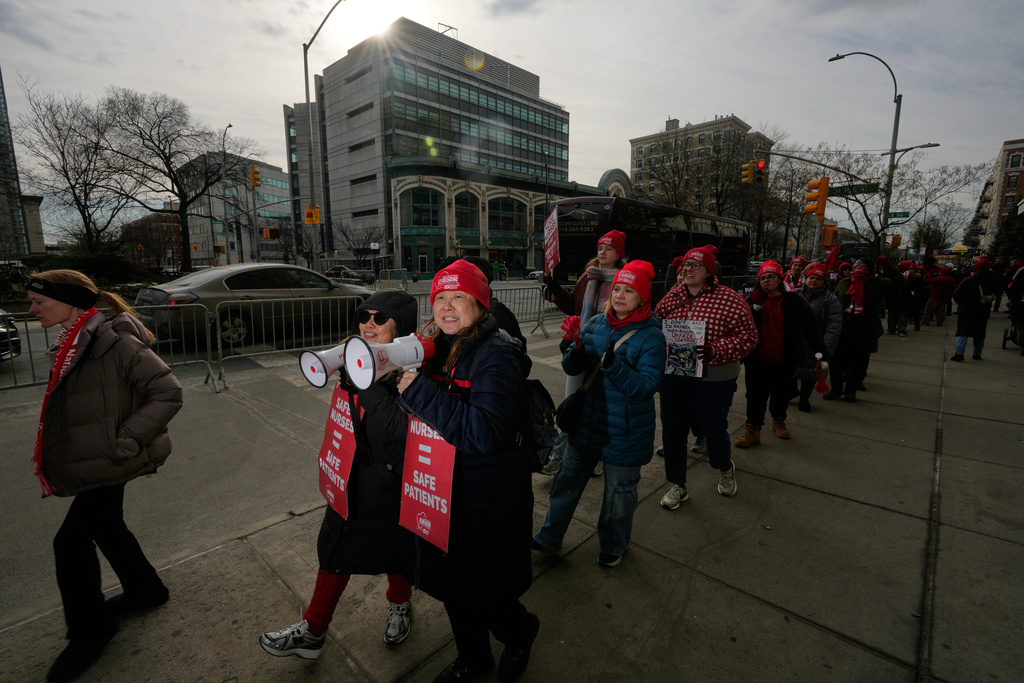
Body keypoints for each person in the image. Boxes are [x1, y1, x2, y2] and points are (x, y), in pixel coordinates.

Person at [27, 270, 183, 683]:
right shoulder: (75, 339)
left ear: (69, 301)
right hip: (100, 455)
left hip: (112, 456)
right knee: (107, 525)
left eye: (39, 302)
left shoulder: (110, 337)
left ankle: (91, 633)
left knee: (70, 541)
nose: (32, 309)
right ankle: (146, 591)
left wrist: (125, 442)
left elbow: (167, 391)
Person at [396, 260, 538, 683]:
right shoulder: (438, 345)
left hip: (487, 498)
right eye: (440, 297)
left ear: (480, 302)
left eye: (458, 296)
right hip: (446, 491)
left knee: (489, 593)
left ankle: (520, 633)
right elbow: (424, 415)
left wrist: (417, 390)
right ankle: (474, 659)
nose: (447, 306)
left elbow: (484, 433)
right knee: (454, 588)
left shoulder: (497, 355)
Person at [260, 291, 419, 660]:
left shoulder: (412, 373)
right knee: (336, 547)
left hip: (392, 479)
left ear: (401, 326)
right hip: (354, 475)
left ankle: (399, 603)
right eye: (365, 315)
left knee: (395, 548)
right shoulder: (354, 359)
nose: (369, 323)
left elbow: (398, 433)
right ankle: (314, 629)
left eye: (381, 318)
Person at [533, 261, 666, 561]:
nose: (619, 295)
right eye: (617, 288)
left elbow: (646, 386)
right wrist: (573, 350)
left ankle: (614, 546)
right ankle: (550, 535)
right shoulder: (594, 324)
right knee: (566, 483)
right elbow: (571, 367)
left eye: (628, 290)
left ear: (643, 298)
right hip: (586, 423)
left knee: (618, 496)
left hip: (626, 432)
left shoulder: (652, 337)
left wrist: (615, 367)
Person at [655, 245, 758, 509]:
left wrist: (713, 349)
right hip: (676, 374)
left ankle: (724, 468)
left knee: (713, 428)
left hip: (715, 376)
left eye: (695, 265)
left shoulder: (730, 299)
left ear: (709, 271)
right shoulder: (673, 297)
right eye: (685, 265)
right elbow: (655, 324)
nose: (687, 269)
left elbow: (749, 337)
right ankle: (677, 484)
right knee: (673, 431)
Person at [542, 229, 626, 477]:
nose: (602, 252)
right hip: (580, 349)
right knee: (571, 405)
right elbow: (572, 307)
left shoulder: (624, 280)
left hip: (607, 355)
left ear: (618, 253)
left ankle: (596, 455)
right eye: (600, 247)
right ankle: (558, 456)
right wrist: (556, 290)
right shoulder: (586, 278)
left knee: (599, 410)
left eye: (608, 248)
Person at [735, 261, 825, 447]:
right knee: (754, 395)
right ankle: (753, 430)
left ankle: (778, 420)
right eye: (762, 278)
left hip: (785, 357)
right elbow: (738, 325)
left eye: (771, 276)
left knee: (781, 393)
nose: (766, 281)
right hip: (757, 358)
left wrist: (820, 351)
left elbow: (810, 329)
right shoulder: (752, 300)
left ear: (779, 278)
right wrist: (752, 307)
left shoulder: (795, 301)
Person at [827, 259, 888, 402]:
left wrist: (887, 267)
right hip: (843, 329)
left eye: (862, 266)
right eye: (855, 266)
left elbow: (899, 284)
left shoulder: (877, 283)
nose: (858, 269)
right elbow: (834, 302)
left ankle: (850, 391)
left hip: (864, 331)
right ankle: (836, 389)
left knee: (857, 364)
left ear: (871, 269)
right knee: (835, 362)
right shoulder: (844, 283)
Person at [794, 262, 842, 413]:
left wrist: (825, 349)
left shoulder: (830, 300)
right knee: (791, 373)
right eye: (811, 277)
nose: (814, 280)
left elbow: (833, 327)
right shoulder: (794, 295)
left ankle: (804, 399)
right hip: (795, 343)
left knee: (810, 375)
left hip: (815, 345)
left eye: (818, 278)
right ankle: (792, 392)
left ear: (824, 282)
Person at [950, 258, 995, 361]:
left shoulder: (968, 280)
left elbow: (956, 295)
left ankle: (959, 354)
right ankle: (977, 354)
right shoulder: (993, 280)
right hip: (983, 309)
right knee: (979, 333)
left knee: (962, 332)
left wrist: (962, 304)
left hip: (967, 309)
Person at [876, 256, 905, 335]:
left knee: (894, 311)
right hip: (890, 294)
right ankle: (892, 328)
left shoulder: (890, 272)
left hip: (893, 294)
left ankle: (893, 328)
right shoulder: (890, 270)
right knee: (893, 312)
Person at [1007, 263, 1024, 355]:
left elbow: (1010, 292)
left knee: (1020, 328)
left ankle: (1022, 348)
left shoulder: (1017, 282)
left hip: (1019, 307)